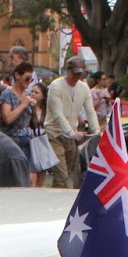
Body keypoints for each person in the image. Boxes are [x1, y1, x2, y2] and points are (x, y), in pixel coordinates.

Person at [45, 56, 99, 189]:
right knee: (61, 174)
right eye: (74, 74)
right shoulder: (56, 86)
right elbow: (58, 113)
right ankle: (57, 200)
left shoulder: (84, 88)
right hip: (54, 133)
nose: (76, 78)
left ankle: (58, 194)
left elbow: (90, 111)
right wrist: (71, 133)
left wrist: (97, 130)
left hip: (72, 134)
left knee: (68, 171)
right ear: (68, 71)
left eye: (79, 75)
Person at [0, 62, 40, 182]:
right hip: (12, 143)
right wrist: (24, 105)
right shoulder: (8, 94)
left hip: (27, 143)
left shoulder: (27, 95)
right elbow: (8, 118)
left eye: (31, 79)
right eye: (27, 78)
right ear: (17, 75)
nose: (29, 82)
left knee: (30, 177)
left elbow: (34, 123)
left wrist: (34, 108)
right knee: (14, 177)